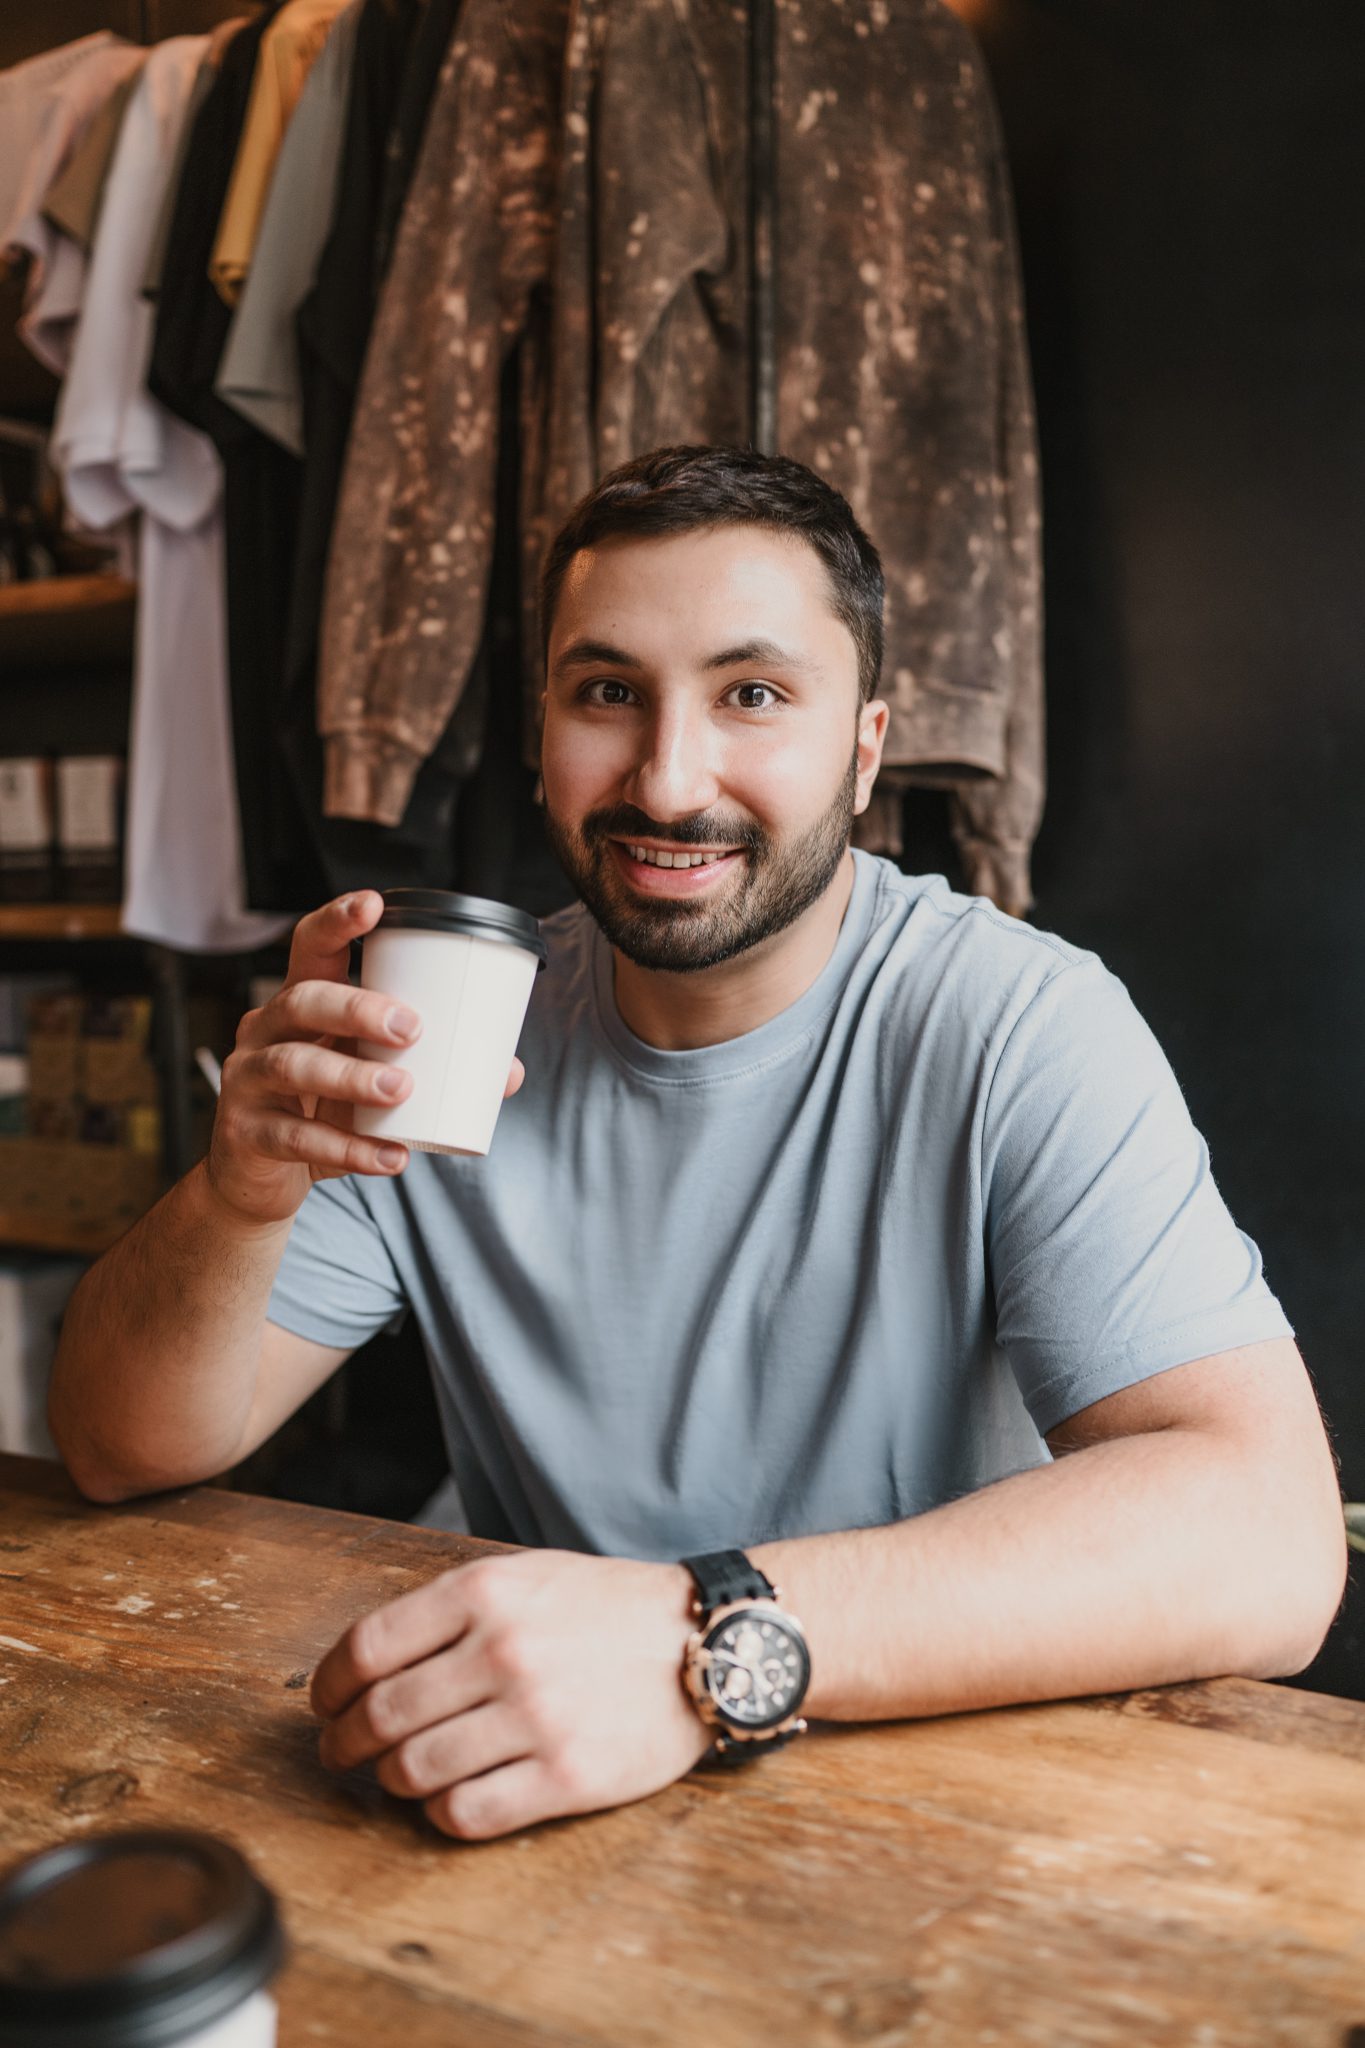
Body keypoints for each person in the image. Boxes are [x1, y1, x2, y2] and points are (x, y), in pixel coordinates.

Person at [50, 444, 1345, 1842]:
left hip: (951, 1801)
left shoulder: (1015, 1023)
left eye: (752, 696)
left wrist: (698, 1641)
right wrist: (240, 1193)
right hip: (538, 1791)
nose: (668, 781)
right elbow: (124, 1449)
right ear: (542, 727)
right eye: (607, 693)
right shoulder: (445, 1025)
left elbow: (1265, 1542)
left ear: (862, 749)